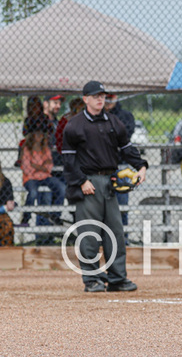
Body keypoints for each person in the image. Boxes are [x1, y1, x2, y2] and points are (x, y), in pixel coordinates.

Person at [62, 80, 148, 293]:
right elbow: (68, 160)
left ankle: (117, 278)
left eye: (102, 95)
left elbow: (126, 148)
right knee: (89, 233)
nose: (100, 99)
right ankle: (92, 279)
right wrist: (81, 181)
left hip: (109, 181)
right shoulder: (75, 125)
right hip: (88, 183)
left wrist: (141, 165)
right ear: (85, 99)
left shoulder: (113, 121)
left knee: (115, 232)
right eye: (95, 96)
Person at [18, 122, 66, 228]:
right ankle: (26, 219)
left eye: (41, 134)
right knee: (33, 193)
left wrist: (35, 166)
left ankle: (55, 216)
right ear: (32, 135)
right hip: (31, 178)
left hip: (45, 177)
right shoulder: (27, 149)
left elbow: (49, 167)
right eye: (37, 134)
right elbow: (26, 168)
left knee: (62, 188)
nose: (40, 136)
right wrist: (42, 167)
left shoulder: (45, 149)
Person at [105, 93, 136, 227]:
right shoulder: (94, 115)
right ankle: (103, 239)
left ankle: (123, 239)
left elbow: (124, 135)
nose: (108, 101)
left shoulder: (125, 116)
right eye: (106, 97)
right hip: (100, 166)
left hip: (120, 164)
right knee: (101, 205)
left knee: (121, 203)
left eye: (111, 98)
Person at [0, 165, 15, 246]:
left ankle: (6, 250)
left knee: (7, 224)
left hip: (1, 214)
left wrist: (3, 208)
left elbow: (10, 205)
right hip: (1, 209)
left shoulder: (5, 181)